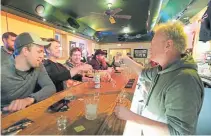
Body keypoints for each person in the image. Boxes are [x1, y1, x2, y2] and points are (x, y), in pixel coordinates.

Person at [114, 21, 204, 135]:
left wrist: (131, 116)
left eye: (153, 42)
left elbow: (180, 133)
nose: (150, 46)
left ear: (168, 45)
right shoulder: (163, 69)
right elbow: (143, 73)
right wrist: (126, 59)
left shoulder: (184, 80)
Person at [1, 32, 56, 113]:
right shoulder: (2, 71)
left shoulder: (38, 65)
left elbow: (50, 87)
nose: (42, 56)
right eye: (39, 51)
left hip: (26, 113)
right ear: (26, 51)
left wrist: (29, 99)